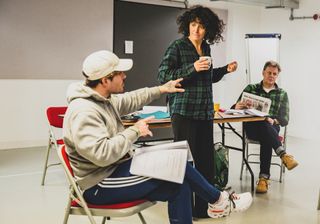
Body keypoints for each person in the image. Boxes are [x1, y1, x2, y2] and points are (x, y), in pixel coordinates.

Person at [62, 50, 252, 224]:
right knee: (177, 166)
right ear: (105, 80)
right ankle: (218, 200)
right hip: (98, 185)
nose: (124, 76)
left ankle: (217, 201)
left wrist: (162, 89)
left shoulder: (103, 99)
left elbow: (131, 99)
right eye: (120, 73)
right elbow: (101, 154)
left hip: (116, 170)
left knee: (180, 179)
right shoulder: (84, 111)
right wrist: (134, 131)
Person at [158, 5, 237, 218]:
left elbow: (207, 76)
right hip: (183, 112)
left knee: (205, 162)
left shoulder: (207, 49)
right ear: (187, 25)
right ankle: (182, 211)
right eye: (193, 25)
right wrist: (192, 68)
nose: (196, 30)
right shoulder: (177, 46)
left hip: (203, 112)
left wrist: (224, 70)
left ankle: (203, 209)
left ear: (208, 29)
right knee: (183, 163)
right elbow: (164, 76)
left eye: (201, 26)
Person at [234, 60, 298, 193]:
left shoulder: (282, 94)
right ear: (263, 72)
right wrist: (237, 106)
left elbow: (285, 119)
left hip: (271, 127)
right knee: (264, 125)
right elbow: (234, 108)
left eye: (274, 74)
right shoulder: (251, 88)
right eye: (269, 72)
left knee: (266, 132)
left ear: (277, 75)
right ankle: (282, 156)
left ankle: (263, 179)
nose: (271, 76)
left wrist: (273, 121)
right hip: (252, 128)